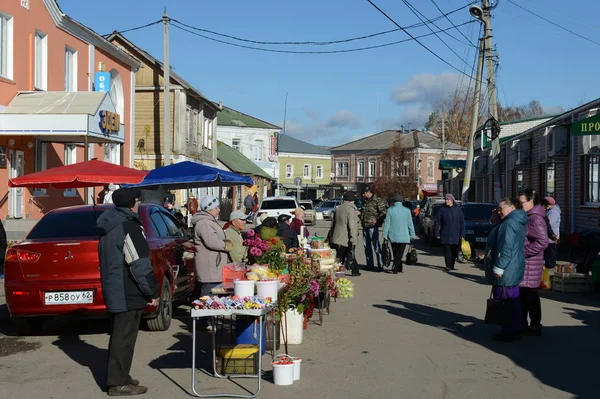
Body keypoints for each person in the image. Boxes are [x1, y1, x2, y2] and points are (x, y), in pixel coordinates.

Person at [97, 188, 159, 396]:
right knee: (123, 338)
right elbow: (139, 264)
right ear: (133, 203)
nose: (139, 204)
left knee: (120, 336)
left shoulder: (110, 224)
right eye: (138, 201)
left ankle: (121, 376)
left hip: (116, 287)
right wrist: (152, 291)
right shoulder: (128, 226)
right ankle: (117, 383)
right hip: (126, 289)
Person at [484, 197, 528, 342]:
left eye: (501, 208)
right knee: (513, 299)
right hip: (513, 267)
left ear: (511, 208)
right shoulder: (515, 221)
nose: (498, 210)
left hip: (506, 268)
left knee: (505, 299)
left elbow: (506, 248)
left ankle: (508, 330)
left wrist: (499, 267)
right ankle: (513, 328)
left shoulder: (509, 224)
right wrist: (496, 217)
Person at [518, 188, 549, 336]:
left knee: (529, 296)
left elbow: (543, 242)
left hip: (530, 263)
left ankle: (534, 325)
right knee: (526, 296)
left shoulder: (535, 218)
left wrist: (523, 252)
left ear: (530, 201)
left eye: (521, 201)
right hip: (527, 264)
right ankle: (525, 324)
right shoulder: (528, 215)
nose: (519, 204)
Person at [191, 196, 233, 298]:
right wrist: (226, 245)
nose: (219, 210)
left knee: (213, 300)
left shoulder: (208, 221)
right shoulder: (205, 223)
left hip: (214, 268)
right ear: (209, 209)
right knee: (208, 299)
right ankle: (207, 314)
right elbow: (211, 242)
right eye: (216, 208)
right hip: (210, 270)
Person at [329, 191, 361, 276]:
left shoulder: (338, 208)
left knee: (344, 254)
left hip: (337, 236)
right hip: (346, 237)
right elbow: (352, 226)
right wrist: (353, 239)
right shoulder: (350, 210)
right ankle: (339, 272)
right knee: (347, 254)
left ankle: (355, 270)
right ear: (352, 200)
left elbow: (333, 223)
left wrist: (331, 235)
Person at [382, 194, 416, 274]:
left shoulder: (390, 210)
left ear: (394, 201)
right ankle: (396, 266)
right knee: (400, 253)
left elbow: (387, 224)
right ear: (402, 201)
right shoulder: (407, 210)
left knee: (395, 252)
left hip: (392, 235)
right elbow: (410, 223)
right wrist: (412, 234)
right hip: (403, 235)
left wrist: (385, 234)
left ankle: (398, 267)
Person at [435, 193, 465, 272]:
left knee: (454, 250)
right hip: (445, 233)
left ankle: (452, 264)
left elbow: (462, 222)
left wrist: (462, 234)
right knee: (447, 250)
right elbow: (437, 222)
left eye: (447, 199)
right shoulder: (442, 209)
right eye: (445, 199)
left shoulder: (458, 209)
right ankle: (448, 265)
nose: (446, 201)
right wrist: (437, 233)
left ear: (452, 200)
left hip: (456, 234)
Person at [360, 186, 387, 271]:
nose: (363, 195)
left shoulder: (377, 200)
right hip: (365, 226)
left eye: (364, 193)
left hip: (373, 227)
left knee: (376, 246)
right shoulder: (365, 201)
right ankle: (369, 264)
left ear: (368, 192)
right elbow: (364, 212)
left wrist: (377, 219)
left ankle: (380, 265)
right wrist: (359, 213)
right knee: (366, 247)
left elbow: (384, 212)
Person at [542, 196, 561, 269]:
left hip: (551, 237)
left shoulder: (553, 212)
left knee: (550, 253)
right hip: (550, 236)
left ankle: (550, 266)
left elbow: (550, 224)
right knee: (549, 252)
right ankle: (549, 265)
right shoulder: (550, 211)